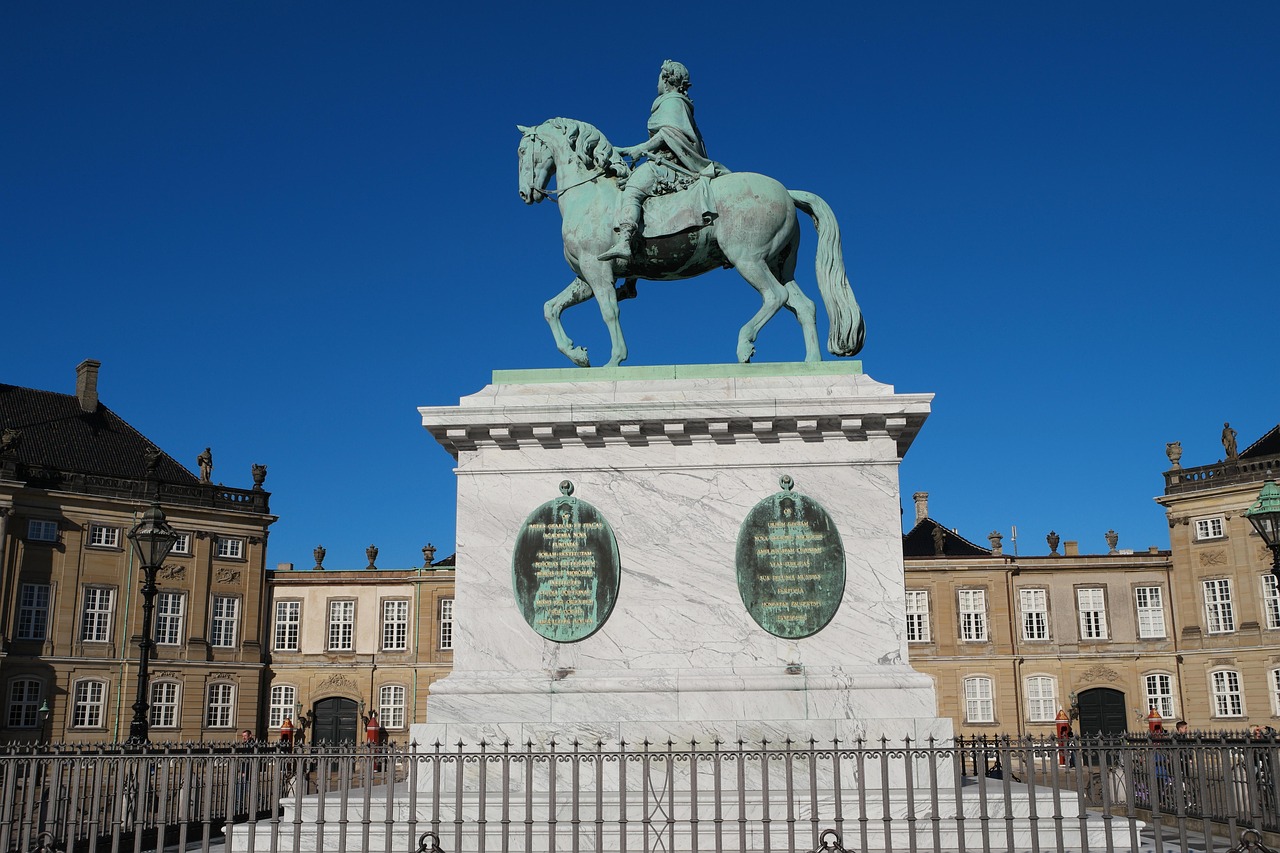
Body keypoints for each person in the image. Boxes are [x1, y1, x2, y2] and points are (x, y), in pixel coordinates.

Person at [598, 60, 727, 262]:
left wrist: (640, 149)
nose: (657, 83)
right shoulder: (676, 103)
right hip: (668, 161)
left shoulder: (671, 101)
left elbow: (668, 133)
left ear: (666, 80)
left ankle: (624, 240)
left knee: (632, 190)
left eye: (659, 78)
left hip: (670, 165)